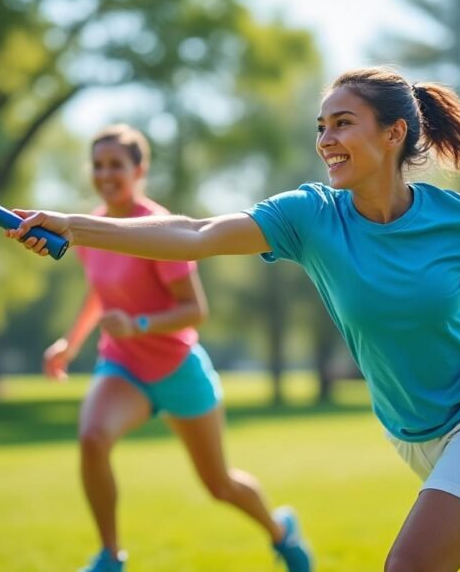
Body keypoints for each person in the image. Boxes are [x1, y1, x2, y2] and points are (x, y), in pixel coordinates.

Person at [9, 69, 460, 572]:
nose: (326, 139)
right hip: (417, 438)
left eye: (342, 123)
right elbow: (194, 233)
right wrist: (72, 224)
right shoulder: (310, 216)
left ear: (394, 133)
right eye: (321, 126)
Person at [42, 124, 313, 572]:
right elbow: (98, 292)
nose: (105, 174)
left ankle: (280, 532)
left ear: (139, 170)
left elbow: (195, 310)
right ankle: (110, 556)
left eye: (116, 165)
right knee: (92, 437)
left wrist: (138, 325)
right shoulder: (89, 230)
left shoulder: (158, 229)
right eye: (98, 165)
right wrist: (70, 344)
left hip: (177, 368)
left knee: (219, 484)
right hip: (123, 366)